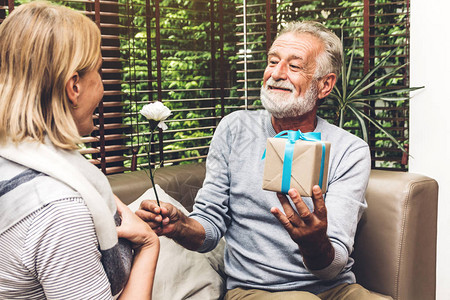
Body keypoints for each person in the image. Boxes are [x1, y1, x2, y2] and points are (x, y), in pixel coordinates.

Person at [137, 21, 391, 299]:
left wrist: (314, 243)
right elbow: (210, 226)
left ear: (325, 85)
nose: (276, 74)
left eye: (294, 66)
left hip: (334, 288)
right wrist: (180, 226)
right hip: (253, 291)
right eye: (272, 61)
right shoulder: (234, 129)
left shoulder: (349, 150)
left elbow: (333, 265)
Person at [0, 2, 159, 299]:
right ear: (74, 87)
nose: (101, 86)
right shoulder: (59, 210)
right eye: (98, 71)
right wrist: (149, 245)